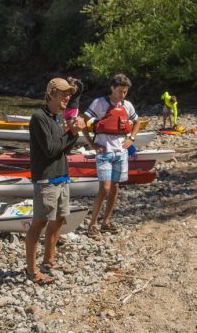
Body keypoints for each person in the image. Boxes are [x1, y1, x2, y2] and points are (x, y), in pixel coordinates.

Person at [25, 78, 86, 285]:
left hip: (61, 176)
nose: (67, 98)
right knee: (39, 223)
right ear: (51, 93)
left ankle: (48, 261)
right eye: (63, 94)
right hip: (46, 179)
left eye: (69, 94)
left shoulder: (56, 118)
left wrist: (73, 133)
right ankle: (32, 271)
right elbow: (51, 149)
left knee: (59, 219)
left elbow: (64, 148)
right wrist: (72, 132)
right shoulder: (38, 118)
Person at [82, 74, 140, 240]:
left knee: (115, 187)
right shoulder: (99, 103)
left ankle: (106, 222)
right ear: (112, 88)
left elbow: (136, 121)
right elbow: (83, 122)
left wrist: (132, 139)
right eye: (120, 91)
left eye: (125, 92)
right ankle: (92, 223)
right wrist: (92, 145)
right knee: (105, 188)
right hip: (104, 152)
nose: (123, 95)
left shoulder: (127, 105)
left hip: (121, 153)